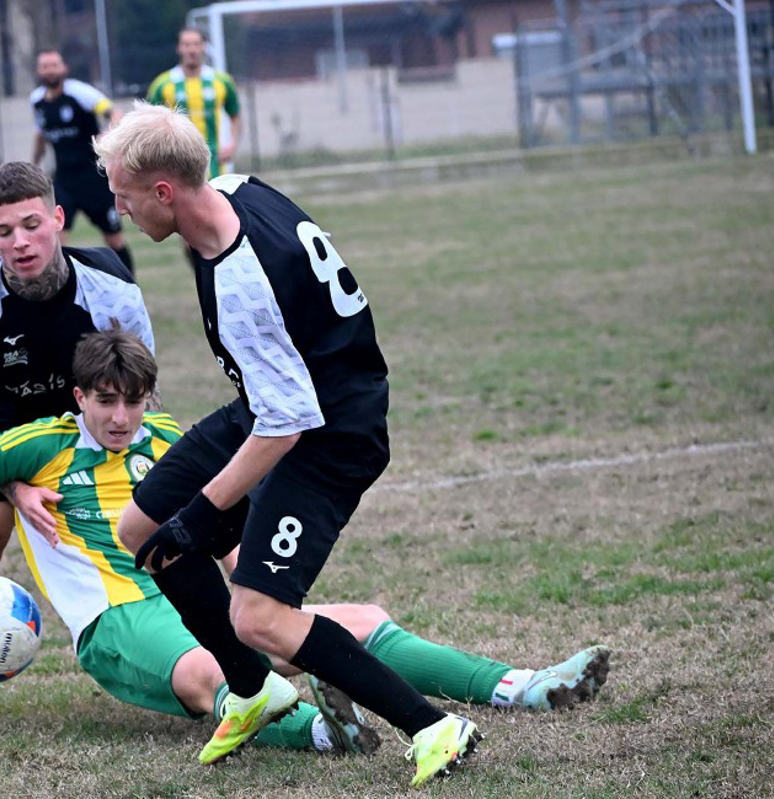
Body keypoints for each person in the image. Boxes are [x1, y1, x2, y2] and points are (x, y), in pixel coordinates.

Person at [0, 328, 612, 758]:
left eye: (132, 400)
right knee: (210, 671)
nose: (119, 415)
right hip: (116, 619)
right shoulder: (36, 445)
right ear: (79, 396)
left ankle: (520, 686)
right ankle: (326, 733)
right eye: (104, 400)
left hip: (192, 597)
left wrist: (258, 602)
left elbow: (225, 530)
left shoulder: (173, 439)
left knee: (354, 622)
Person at [94, 104, 506, 787]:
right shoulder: (232, 189)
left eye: (123, 194)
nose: (118, 208)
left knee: (257, 613)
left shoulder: (243, 283)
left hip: (325, 432)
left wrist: (200, 517)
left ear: (163, 191)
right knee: (138, 525)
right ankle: (255, 691)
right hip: (277, 395)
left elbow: (285, 427)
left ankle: (434, 726)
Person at [0, 160, 154, 729]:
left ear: (58, 219)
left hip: (93, 431)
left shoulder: (111, 286)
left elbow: (142, 393)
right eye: (4, 231)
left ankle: (192, 638)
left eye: (31, 224)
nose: (20, 242)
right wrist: (17, 489)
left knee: (148, 524)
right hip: (12, 440)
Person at [31, 49, 133, 274]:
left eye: (54, 65)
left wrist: (109, 136)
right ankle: (59, 292)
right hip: (64, 181)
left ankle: (129, 285)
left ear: (63, 68)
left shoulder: (80, 94)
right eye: (45, 66)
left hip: (94, 179)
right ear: (39, 71)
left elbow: (114, 113)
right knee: (55, 239)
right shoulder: (37, 101)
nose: (50, 70)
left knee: (114, 239)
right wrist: (33, 165)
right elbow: (40, 135)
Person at [146, 28, 242, 179]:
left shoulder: (222, 81)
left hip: (216, 161)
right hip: (177, 160)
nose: (192, 49)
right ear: (179, 48)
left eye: (197, 44)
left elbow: (235, 114)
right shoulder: (162, 84)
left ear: (204, 47)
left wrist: (232, 144)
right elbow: (148, 122)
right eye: (187, 44)